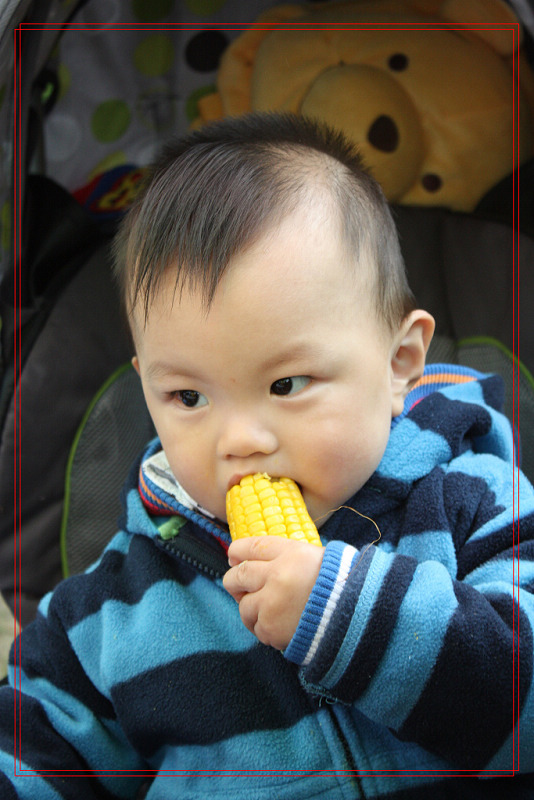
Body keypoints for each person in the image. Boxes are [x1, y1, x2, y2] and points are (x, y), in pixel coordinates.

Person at [0, 112, 532, 799]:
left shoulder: (475, 501)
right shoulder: (113, 608)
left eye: (286, 385)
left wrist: (345, 615)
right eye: (189, 396)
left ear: (400, 362)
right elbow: (32, 750)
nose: (239, 440)